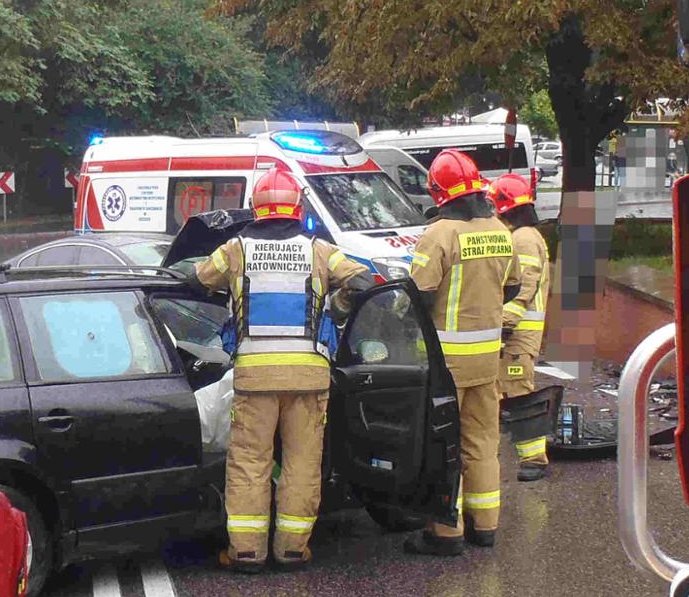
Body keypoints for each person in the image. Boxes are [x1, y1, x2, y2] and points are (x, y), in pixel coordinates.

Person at [190, 169, 373, 572]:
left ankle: (246, 553)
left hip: (255, 378)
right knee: (302, 465)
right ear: (297, 206)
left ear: (255, 207)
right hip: (308, 378)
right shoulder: (320, 250)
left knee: (249, 464)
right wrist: (338, 305)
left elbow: (197, 280)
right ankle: (292, 550)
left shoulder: (236, 249)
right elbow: (364, 281)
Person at [404, 149, 519, 556]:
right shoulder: (500, 230)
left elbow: (418, 296)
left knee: (444, 446)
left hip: (445, 365)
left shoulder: (438, 234)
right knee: (483, 442)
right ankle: (484, 525)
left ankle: (445, 532)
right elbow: (513, 288)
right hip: (487, 359)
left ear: (438, 191)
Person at [491, 174, 553, 482]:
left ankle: (535, 460)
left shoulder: (523, 239)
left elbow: (524, 287)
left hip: (519, 334)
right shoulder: (524, 235)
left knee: (519, 392)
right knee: (505, 389)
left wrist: (505, 322)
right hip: (517, 332)